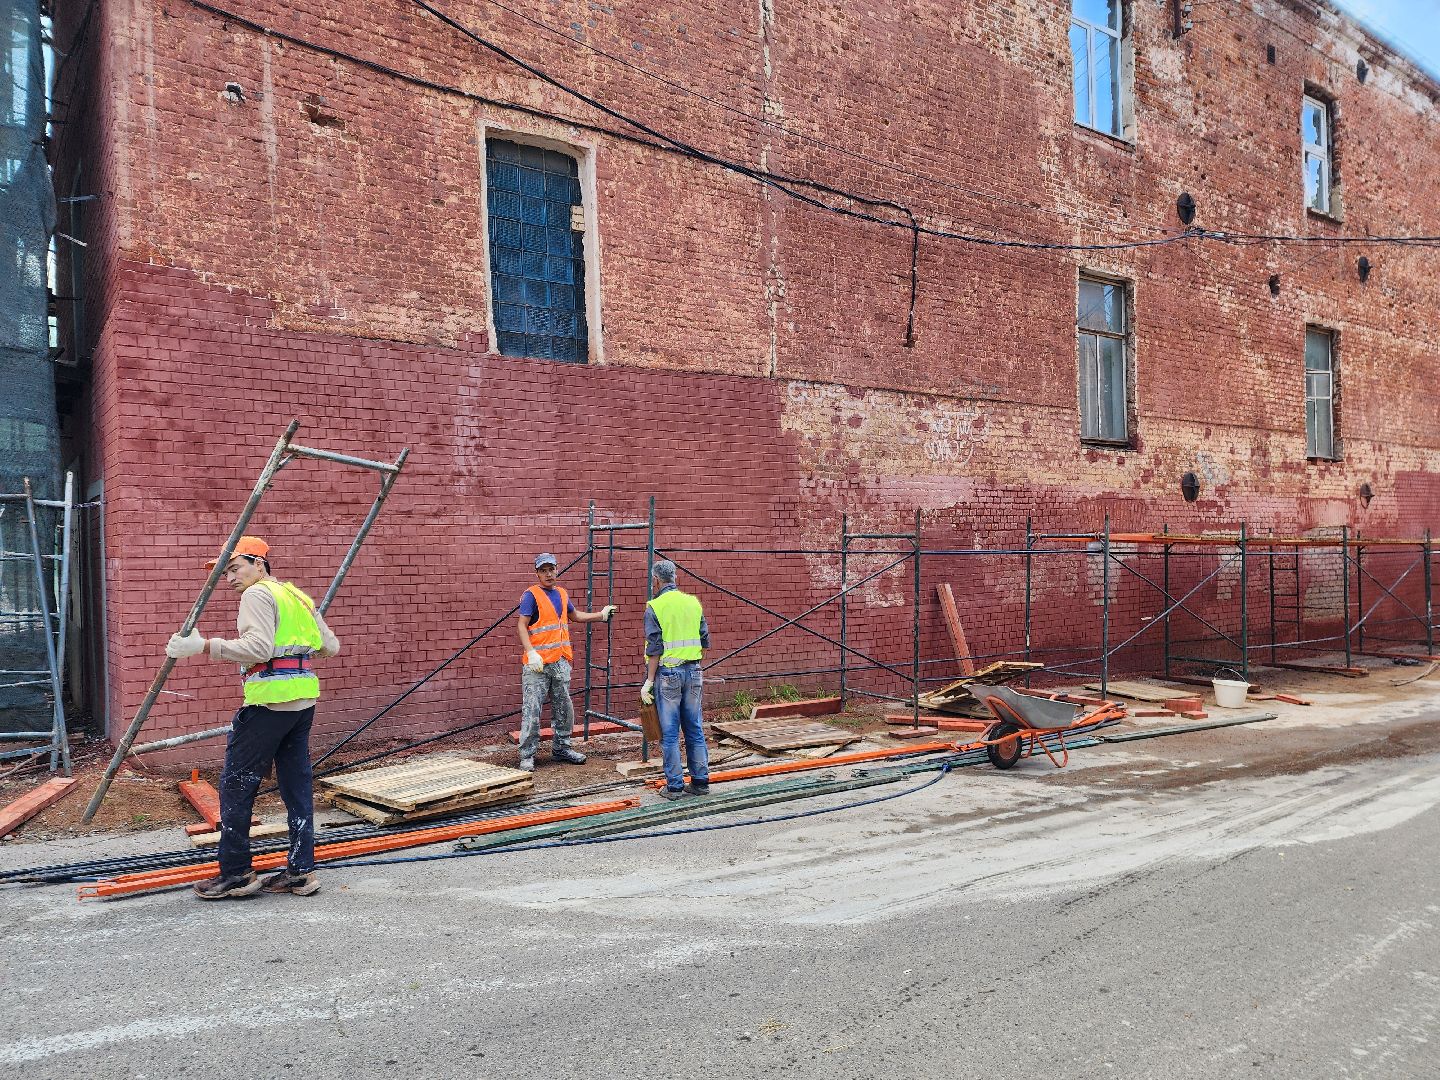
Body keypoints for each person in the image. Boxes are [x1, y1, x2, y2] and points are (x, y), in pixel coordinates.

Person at [165, 536, 340, 900]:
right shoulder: (296, 596)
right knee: (296, 787)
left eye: (234, 568)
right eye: (223, 573)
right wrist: (293, 655)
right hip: (302, 703)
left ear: (258, 563)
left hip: (268, 708)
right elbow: (329, 647)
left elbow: (258, 648)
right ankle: (300, 871)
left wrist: (203, 646)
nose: (228, 578)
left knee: (236, 786)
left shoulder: (257, 594)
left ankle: (237, 874)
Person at [517, 553, 617, 772]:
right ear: (537, 573)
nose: (548, 574)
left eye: (551, 569)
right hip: (537, 666)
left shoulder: (562, 594)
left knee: (564, 708)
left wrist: (600, 615)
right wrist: (531, 652)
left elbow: (575, 616)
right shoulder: (531, 596)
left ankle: (562, 748)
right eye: (543, 570)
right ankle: (527, 755)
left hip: (560, 662)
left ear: (557, 570)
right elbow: (522, 625)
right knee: (532, 709)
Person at [640, 559, 710, 800]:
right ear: (675, 578)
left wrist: (649, 681)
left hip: (668, 674)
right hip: (694, 672)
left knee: (669, 733)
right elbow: (704, 640)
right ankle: (700, 782)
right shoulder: (693, 603)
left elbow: (655, 649)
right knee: (694, 728)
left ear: (656, 581)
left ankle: (675, 787)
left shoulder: (655, 606)